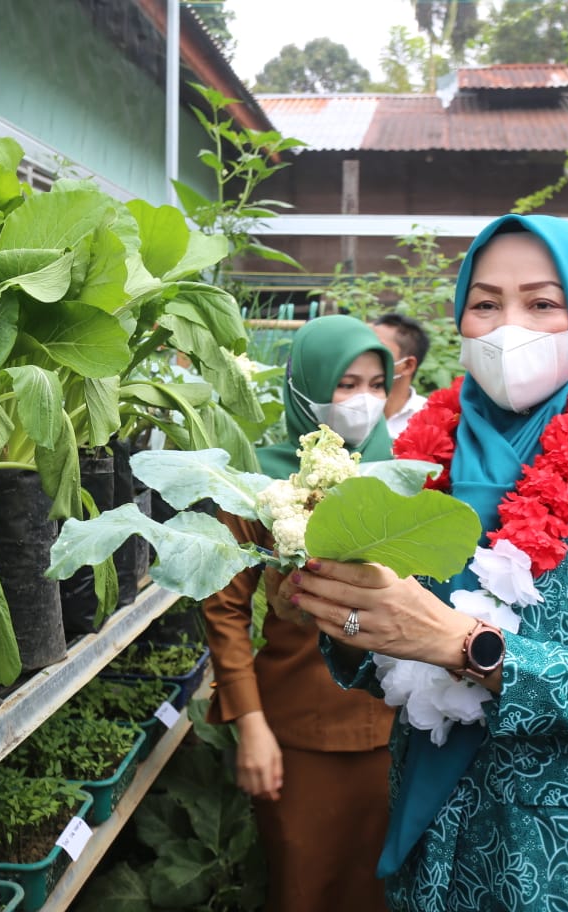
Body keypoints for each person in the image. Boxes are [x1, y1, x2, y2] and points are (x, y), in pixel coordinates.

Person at [287, 215, 568, 912]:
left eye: (542, 303)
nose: (508, 326)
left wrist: (462, 646)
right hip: (435, 844)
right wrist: (345, 610)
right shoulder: (415, 462)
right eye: (486, 303)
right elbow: (384, 667)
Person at [201, 314, 397, 912]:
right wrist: (251, 724)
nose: (362, 401)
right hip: (300, 728)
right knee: (304, 889)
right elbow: (224, 608)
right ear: (305, 384)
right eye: (344, 384)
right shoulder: (260, 482)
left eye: (374, 383)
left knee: (385, 892)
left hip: (404, 725)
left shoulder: (405, 474)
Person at [371, 313, 431, 438]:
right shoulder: (349, 408)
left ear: (408, 365)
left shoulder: (429, 418)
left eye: (379, 349)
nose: (366, 356)